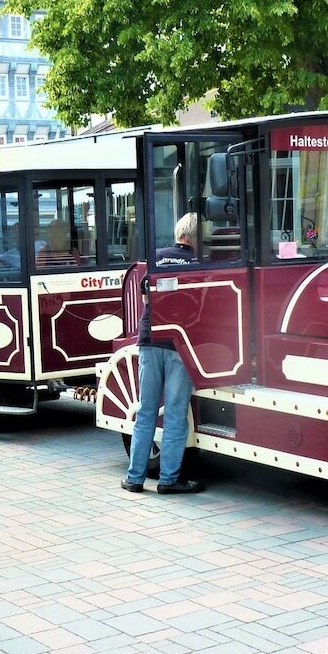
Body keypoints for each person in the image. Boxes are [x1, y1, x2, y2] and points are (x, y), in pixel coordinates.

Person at [123, 212, 204, 495]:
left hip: (149, 338)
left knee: (145, 411)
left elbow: (146, 297)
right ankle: (169, 480)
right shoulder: (197, 263)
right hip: (180, 343)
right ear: (197, 236)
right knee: (174, 414)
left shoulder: (156, 258)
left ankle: (134, 478)